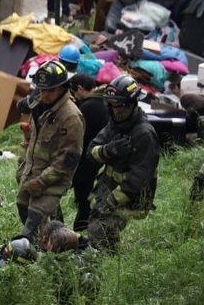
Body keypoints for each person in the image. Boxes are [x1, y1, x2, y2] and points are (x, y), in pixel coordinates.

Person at [86, 75, 159, 252]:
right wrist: (108, 150)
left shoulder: (144, 135)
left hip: (131, 200)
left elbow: (138, 180)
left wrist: (109, 202)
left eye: (121, 105)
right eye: (112, 105)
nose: (116, 110)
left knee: (99, 231)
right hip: (107, 189)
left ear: (133, 103)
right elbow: (91, 152)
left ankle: (107, 266)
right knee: (92, 226)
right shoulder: (114, 123)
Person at [16, 60, 85, 241]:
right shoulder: (40, 104)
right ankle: (58, 238)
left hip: (54, 178)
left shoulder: (71, 117)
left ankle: (37, 251)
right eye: (42, 89)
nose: (45, 94)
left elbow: (67, 161)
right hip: (31, 170)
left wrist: (41, 181)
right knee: (22, 205)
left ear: (62, 87)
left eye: (50, 90)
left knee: (33, 220)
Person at [69, 73, 109, 231]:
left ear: (79, 89)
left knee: (83, 199)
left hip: (84, 161)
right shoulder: (102, 102)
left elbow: (78, 137)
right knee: (85, 198)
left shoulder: (88, 106)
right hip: (96, 159)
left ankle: (79, 231)